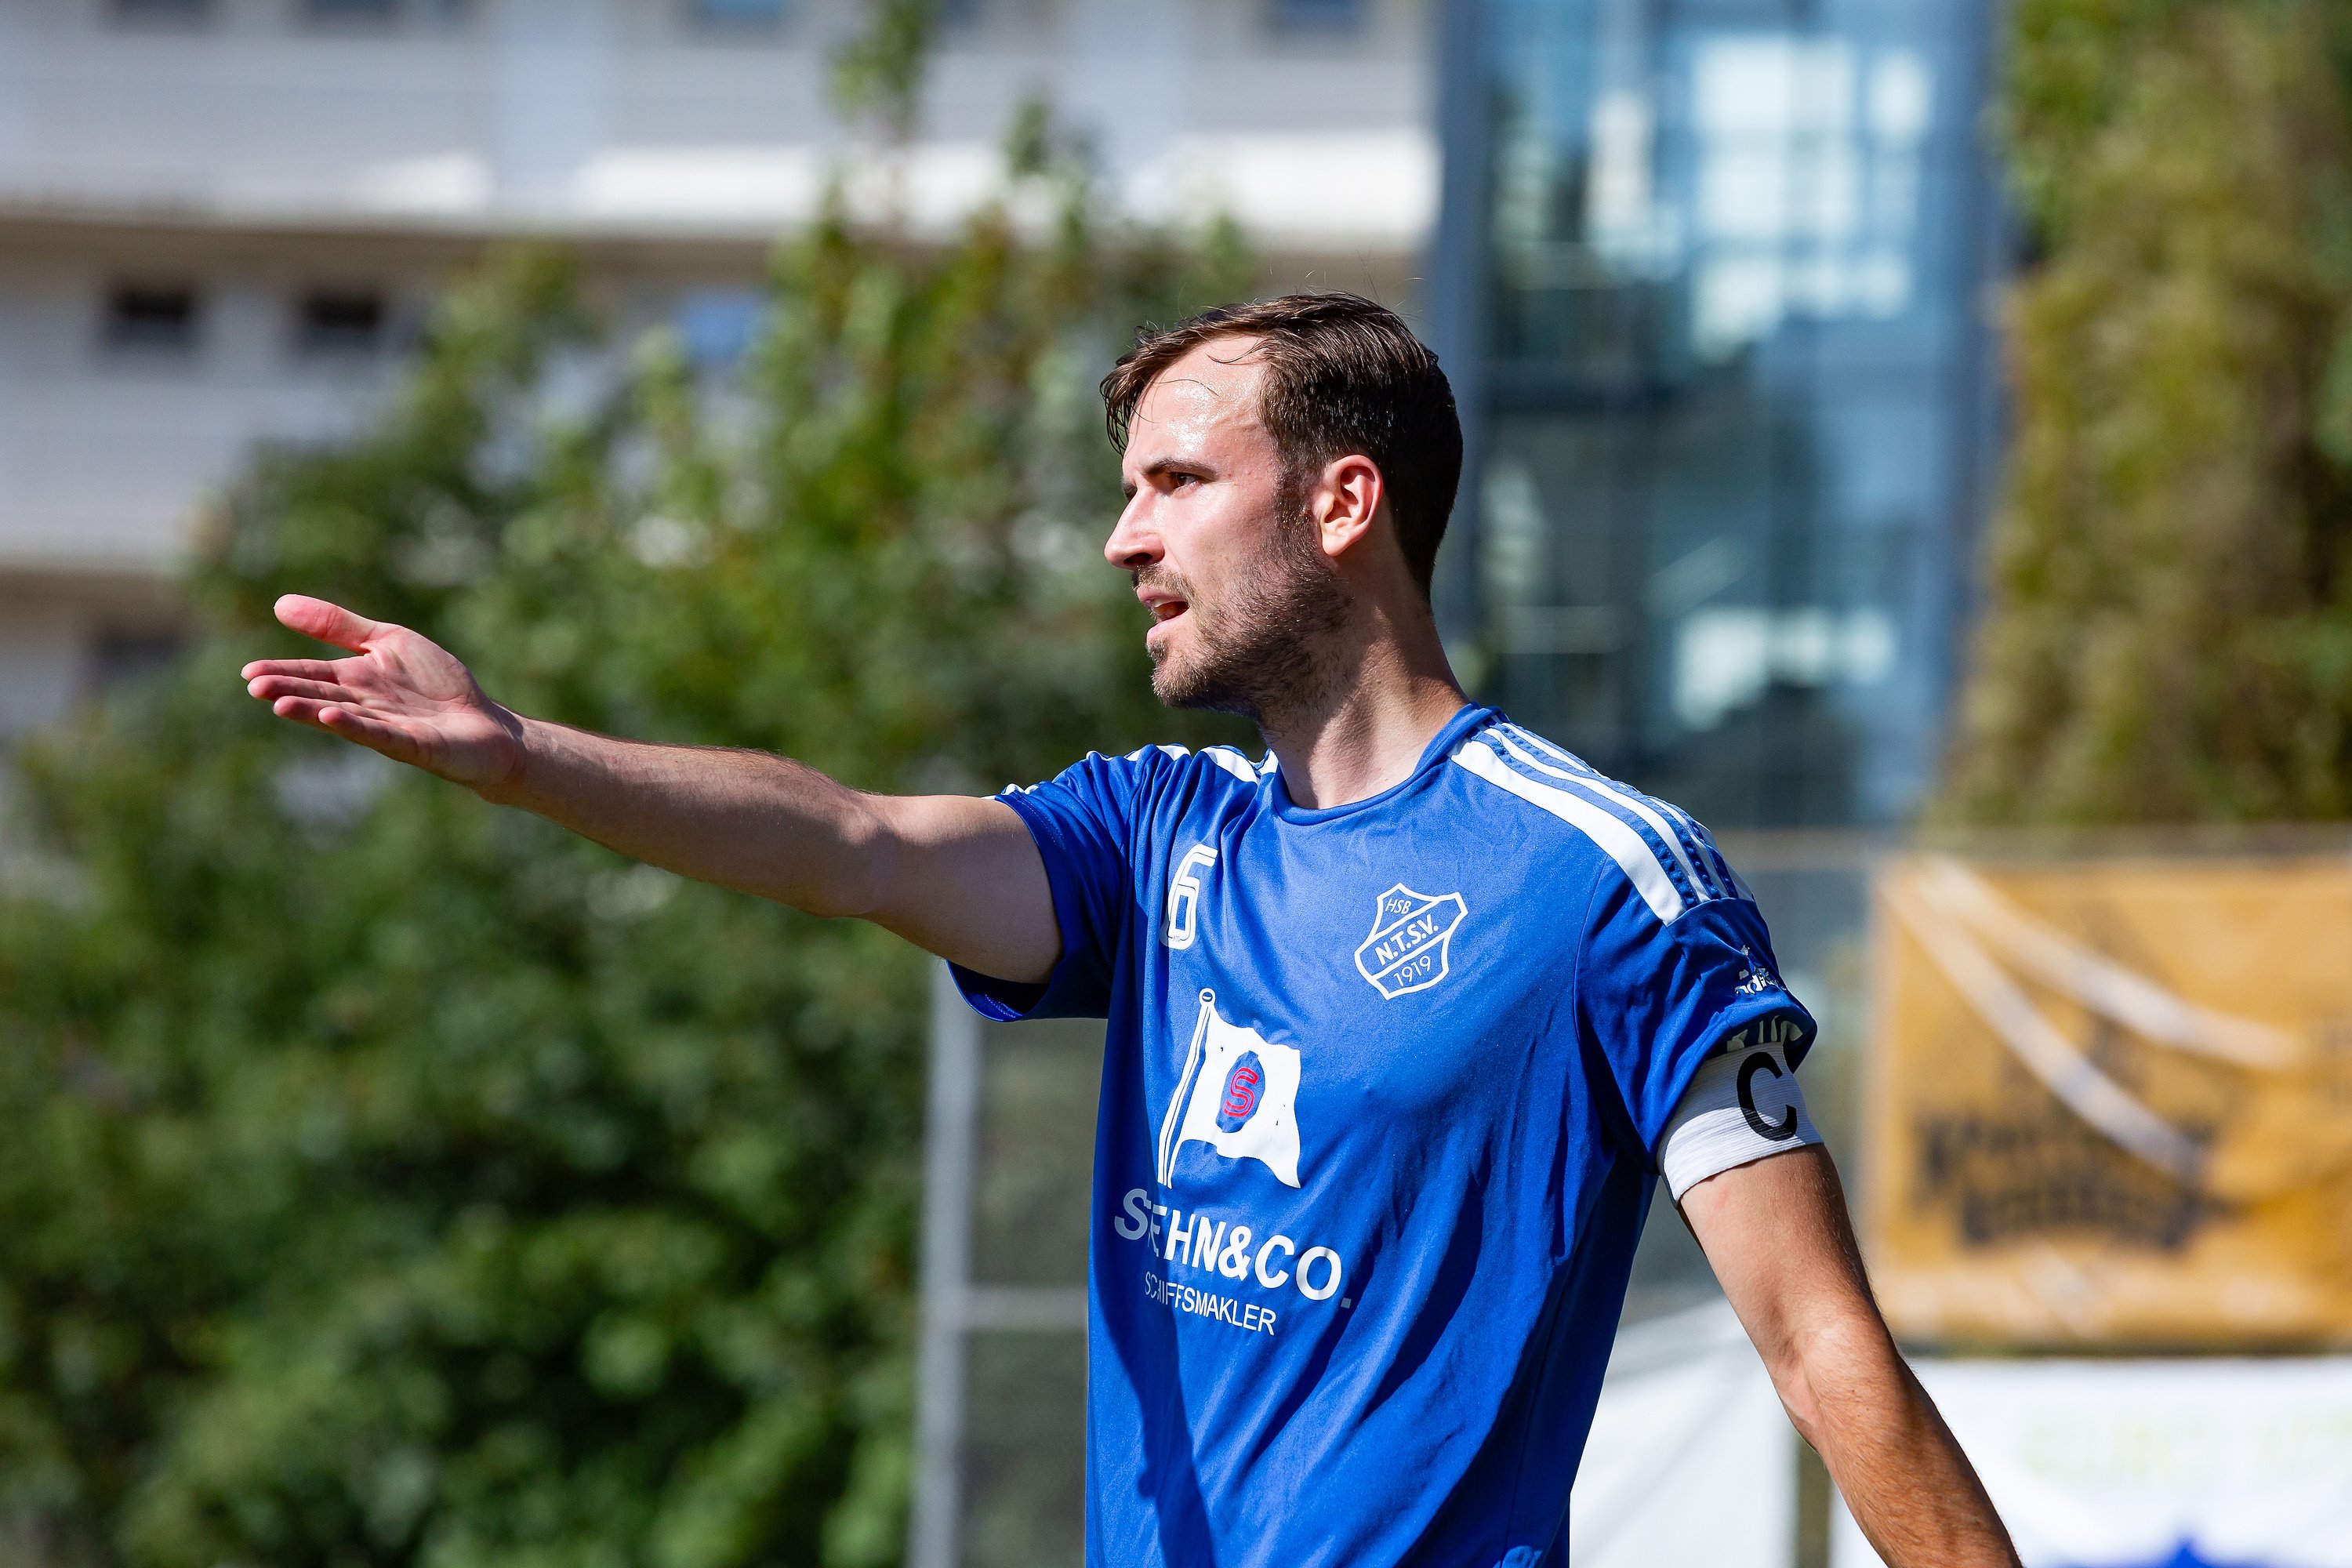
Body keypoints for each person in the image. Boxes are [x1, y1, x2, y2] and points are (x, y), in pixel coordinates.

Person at [241, 293, 2016, 1567]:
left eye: (1175, 483)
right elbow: (858, 845)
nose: (1121, 538)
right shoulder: (1158, 834)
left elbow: (1817, 1340)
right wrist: (519, 755)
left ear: (1343, 502)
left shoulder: (1606, 878)